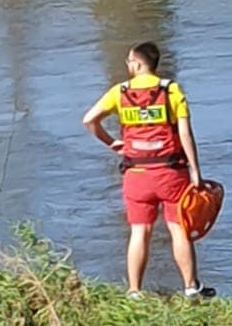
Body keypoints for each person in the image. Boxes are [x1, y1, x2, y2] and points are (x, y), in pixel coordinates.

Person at [82, 41, 215, 300]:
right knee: (179, 229)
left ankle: (134, 291)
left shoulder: (118, 92)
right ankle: (191, 288)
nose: (127, 65)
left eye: (129, 60)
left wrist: (111, 143)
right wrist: (196, 171)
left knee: (139, 231)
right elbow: (185, 134)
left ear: (138, 63)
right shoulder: (172, 91)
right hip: (171, 173)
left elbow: (89, 120)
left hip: (136, 175)